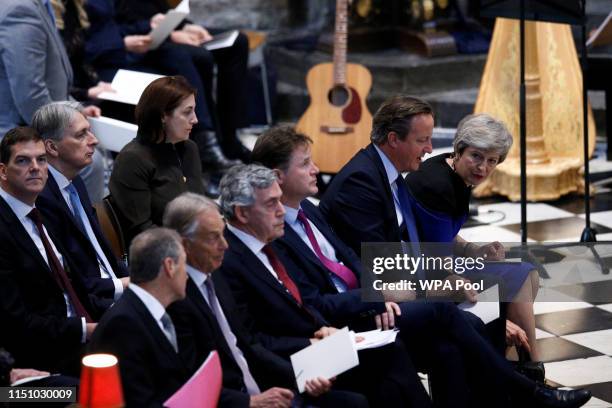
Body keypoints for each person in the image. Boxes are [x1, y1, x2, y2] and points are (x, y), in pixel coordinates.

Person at [163, 192, 368, 408]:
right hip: (278, 368)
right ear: (243, 213)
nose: (314, 169)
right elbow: (314, 301)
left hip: (340, 322)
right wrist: (383, 293)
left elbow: (351, 255)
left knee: (388, 355)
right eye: (272, 202)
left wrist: (385, 293)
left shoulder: (309, 209)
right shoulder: (357, 182)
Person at [405, 113, 540, 360]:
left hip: (435, 260)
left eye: (492, 161)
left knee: (526, 273)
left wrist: (472, 251)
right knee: (514, 282)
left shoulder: (453, 172)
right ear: (459, 150)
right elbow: (438, 266)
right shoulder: (438, 187)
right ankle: (527, 371)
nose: (483, 167)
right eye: (476, 156)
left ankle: (521, 369)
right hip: (422, 274)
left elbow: (442, 235)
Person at [84, 0, 240, 178]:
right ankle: (200, 150)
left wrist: (165, 25)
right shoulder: (85, 7)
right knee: (175, 70)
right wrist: (125, 42)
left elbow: (116, 27)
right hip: (108, 61)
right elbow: (87, 44)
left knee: (193, 60)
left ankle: (209, 144)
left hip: (125, 50)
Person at [0, 127, 100, 376]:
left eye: (41, 160)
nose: (35, 167)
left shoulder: (40, 211)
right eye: (23, 160)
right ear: (3, 171)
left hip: (76, 340)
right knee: (91, 394)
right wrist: (85, 330)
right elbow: (16, 323)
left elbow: (75, 283)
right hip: (29, 370)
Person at [114, 0, 252, 162]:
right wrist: (170, 35)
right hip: (138, 44)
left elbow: (156, 8)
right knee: (200, 57)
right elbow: (116, 23)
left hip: (160, 32)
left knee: (238, 42)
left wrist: (184, 26)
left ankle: (230, 137)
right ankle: (206, 140)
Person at [0, 0, 106, 202]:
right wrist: (70, 127)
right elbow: (31, 96)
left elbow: (54, 84)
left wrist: (77, 110)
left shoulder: (37, 5)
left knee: (91, 144)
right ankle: (83, 232)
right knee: (91, 163)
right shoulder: (20, 10)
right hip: (17, 131)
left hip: (40, 117)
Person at [34, 102, 129, 305]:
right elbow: (71, 279)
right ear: (51, 147)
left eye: (90, 132)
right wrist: (126, 285)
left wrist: (136, 279)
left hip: (113, 289)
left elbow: (102, 253)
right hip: (92, 305)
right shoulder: (41, 199)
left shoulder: (75, 180)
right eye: (81, 135)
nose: (94, 140)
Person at [88, 228, 194, 407]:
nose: (187, 274)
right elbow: (138, 401)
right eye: (185, 264)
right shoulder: (122, 325)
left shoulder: (150, 311)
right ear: (170, 266)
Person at [109, 76, 206, 244]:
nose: (195, 119)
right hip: (161, 254)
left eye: (194, 111)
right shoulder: (132, 160)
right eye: (187, 112)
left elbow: (200, 209)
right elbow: (141, 230)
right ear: (162, 116)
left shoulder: (189, 149)